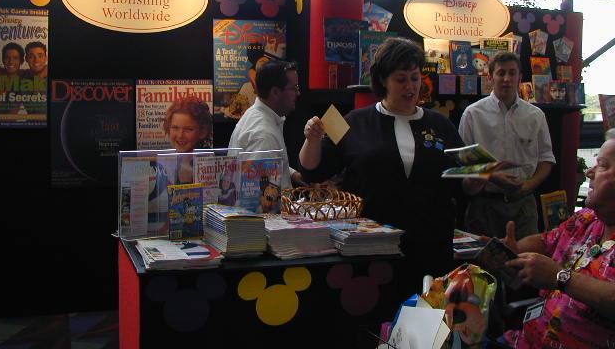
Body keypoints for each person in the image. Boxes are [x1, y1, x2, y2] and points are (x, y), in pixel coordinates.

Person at [299, 37, 464, 285]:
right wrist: (311, 140)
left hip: (432, 247)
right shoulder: (353, 121)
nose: (410, 87)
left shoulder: (441, 124)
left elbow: (460, 180)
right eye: (401, 79)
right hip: (370, 249)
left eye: (415, 78)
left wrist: (481, 177)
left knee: (429, 308)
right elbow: (312, 171)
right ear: (383, 80)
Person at [500, 136, 615, 348]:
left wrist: (560, 277)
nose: (589, 172)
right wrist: (514, 249)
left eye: (602, 165)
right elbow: (546, 241)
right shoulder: (586, 217)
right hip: (522, 341)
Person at [459, 51, 555, 240]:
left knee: (524, 258)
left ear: (520, 77)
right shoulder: (472, 114)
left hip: (524, 206)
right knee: (482, 259)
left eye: (512, 73)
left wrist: (529, 185)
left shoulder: (535, 116)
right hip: (484, 205)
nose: (506, 79)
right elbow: (463, 164)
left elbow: (546, 160)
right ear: (490, 77)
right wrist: (493, 176)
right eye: (501, 73)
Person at [228, 60, 304, 191]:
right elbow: (258, 194)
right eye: (294, 88)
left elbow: (263, 164)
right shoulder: (263, 135)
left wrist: (292, 174)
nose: (298, 93)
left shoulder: (258, 116)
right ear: (275, 92)